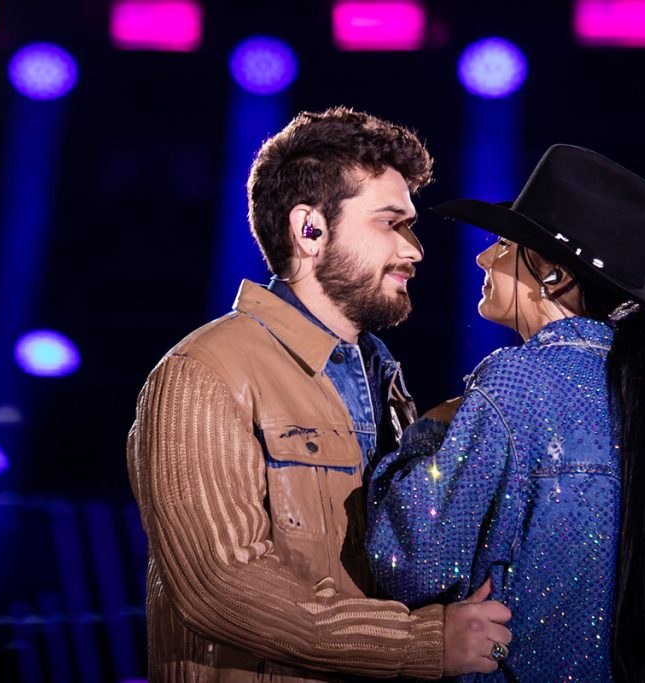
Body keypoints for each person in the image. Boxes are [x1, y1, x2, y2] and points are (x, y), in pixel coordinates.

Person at [127, 107, 512, 682]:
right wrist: (423, 642)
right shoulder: (203, 372)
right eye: (391, 223)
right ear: (309, 229)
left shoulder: (384, 382)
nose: (415, 251)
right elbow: (223, 588)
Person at [365, 144, 645, 682]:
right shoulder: (643, 416)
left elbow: (409, 562)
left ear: (554, 276)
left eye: (504, 244)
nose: (484, 258)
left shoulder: (517, 380)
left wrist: (425, 432)